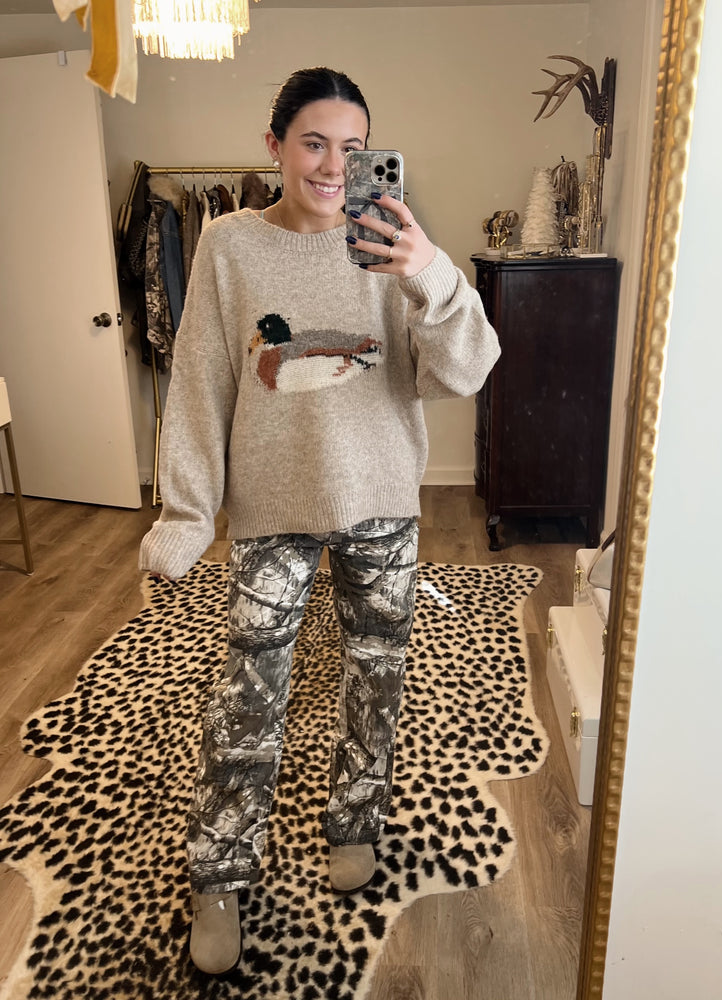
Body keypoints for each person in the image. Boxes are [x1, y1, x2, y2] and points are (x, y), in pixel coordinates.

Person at [139, 66, 500, 975]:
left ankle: (356, 819)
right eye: (313, 143)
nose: (334, 166)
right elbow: (199, 386)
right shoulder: (227, 244)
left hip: (381, 500)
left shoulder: (394, 242)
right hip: (272, 509)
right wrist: (185, 516)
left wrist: (431, 274)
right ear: (274, 146)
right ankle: (220, 871)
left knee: (376, 676)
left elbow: (465, 370)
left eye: (353, 147)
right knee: (248, 694)